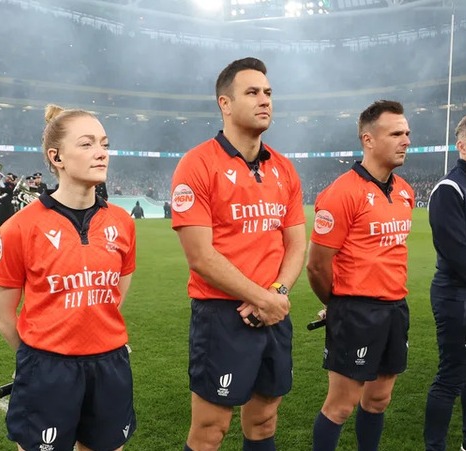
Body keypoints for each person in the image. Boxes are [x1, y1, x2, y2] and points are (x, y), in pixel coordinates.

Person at [170, 57, 306, 451]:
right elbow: (200, 256)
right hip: (222, 314)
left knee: (264, 421)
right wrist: (261, 297)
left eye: (267, 93)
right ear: (224, 104)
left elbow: (296, 242)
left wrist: (276, 292)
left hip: (273, 309)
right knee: (211, 430)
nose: (264, 100)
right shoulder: (196, 165)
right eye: (252, 92)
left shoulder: (284, 168)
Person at [0, 104, 137, 451]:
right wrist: (37, 360)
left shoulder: (123, 223)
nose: (101, 153)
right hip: (47, 369)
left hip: (110, 364)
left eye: (104, 143)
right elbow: (1, 315)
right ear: (56, 157)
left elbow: (114, 296)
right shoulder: (19, 228)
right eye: (87, 144)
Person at [306, 100, 413, 451]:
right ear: (368, 139)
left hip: (396, 308)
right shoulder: (341, 193)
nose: (406, 140)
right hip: (356, 313)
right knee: (340, 406)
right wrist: (339, 304)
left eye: (407, 132)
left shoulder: (405, 192)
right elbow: (317, 266)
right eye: (396, 133)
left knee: (379, 399)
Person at [423, 115, 466, 451]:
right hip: (455, 294)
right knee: (451, 374)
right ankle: (435, 446)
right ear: (461, 144)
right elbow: (459, 254)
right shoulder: (449, 189)